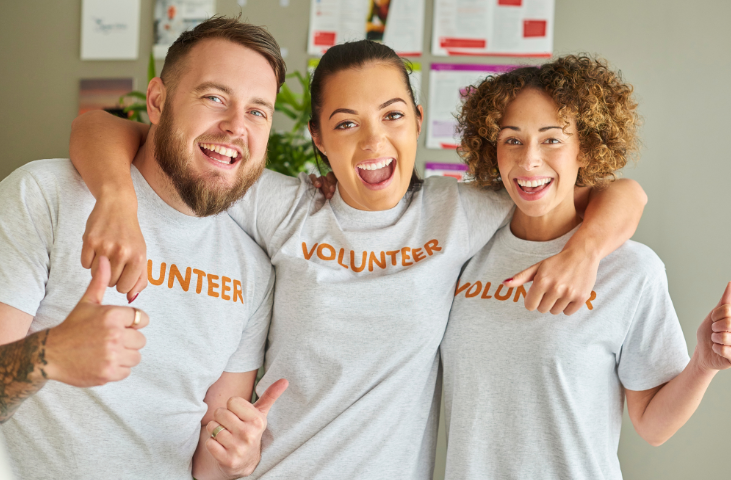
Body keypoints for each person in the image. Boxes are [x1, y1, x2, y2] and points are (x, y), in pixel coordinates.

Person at [69, 41, 648, 478]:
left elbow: (621, 193)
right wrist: (116, 197)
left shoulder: (459, 212)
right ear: (319, 137)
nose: (372, 143)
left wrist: (586, 251)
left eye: (392, 116)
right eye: (346, 124)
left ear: (419, 123)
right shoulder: (287, 208)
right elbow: (101, 126)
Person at [0, 17, 289, 480]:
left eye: (258, 111)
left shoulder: (252, 270)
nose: (236, 126)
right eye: (214, 97)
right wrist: (49, 354)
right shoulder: (44, 195)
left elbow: (205, 465)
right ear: (157, 101)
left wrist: (236, 458)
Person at [441, 55, 731, 479]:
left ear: (586, 148)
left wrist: (704, 361)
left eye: (552, 140)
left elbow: (652, 426)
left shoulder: (631, 270)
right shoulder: (465, 249)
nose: (529, 161)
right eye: (512, 139)